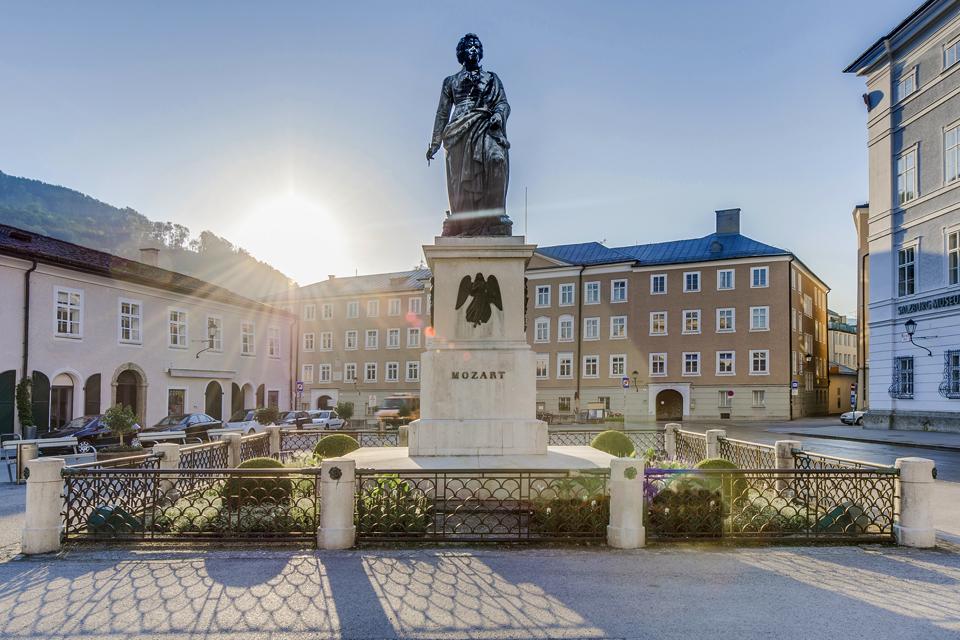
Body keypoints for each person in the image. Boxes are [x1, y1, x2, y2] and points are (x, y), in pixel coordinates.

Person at [427, 33, 512, 236]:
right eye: (468, 47)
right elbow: (442, 112)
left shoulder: (492, 78)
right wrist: (435, 142)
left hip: (486, 124)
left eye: (476, 46)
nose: (473, 49)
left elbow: (503, 103)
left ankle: (495, 217)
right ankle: (463, 221)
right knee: (460, 182)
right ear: (461, 53)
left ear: (481, 52)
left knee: (496, 159)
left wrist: (499, 115)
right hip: (458, 131)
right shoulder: (451, 81)